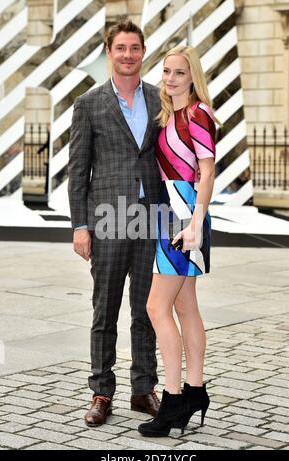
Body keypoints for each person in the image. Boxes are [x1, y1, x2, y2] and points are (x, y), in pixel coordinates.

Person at [68, 19, 162, 427]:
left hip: (152, 218)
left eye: (134, 48)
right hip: (107, 219)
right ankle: (101, 391)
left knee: (149, 310)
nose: (128, 55)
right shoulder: (89, 104)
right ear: (110, 53)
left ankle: (144, 391)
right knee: (104, 311)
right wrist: (80, 226)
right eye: (120, 48)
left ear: (143, 52)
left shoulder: (162, 100)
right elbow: (78, 172)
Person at [138, 45, 220, 437]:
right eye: (166, 72)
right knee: (185, 306)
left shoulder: (198, 114)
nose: (170, 79)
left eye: (179, 73)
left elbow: (207, 172)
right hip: (171, 213)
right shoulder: (172, 115)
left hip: (184, 216)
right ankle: (195, 391)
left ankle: (171, 401)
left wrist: (196, 223)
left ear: (193, 77)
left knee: (157, 306)